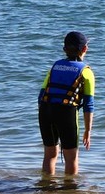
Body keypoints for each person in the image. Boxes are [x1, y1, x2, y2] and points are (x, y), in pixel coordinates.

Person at [39, 31, 95, 176]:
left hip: (46, 111)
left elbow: (41, 95)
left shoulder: (55, 66)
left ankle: (47, 188)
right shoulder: (86, 71)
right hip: (66, 113)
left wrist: (45, 114)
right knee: (71, 157)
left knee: (50, 154)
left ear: (64, 49)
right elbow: (88, 104)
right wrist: (88, 131)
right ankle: (70, 192)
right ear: (85, 49)